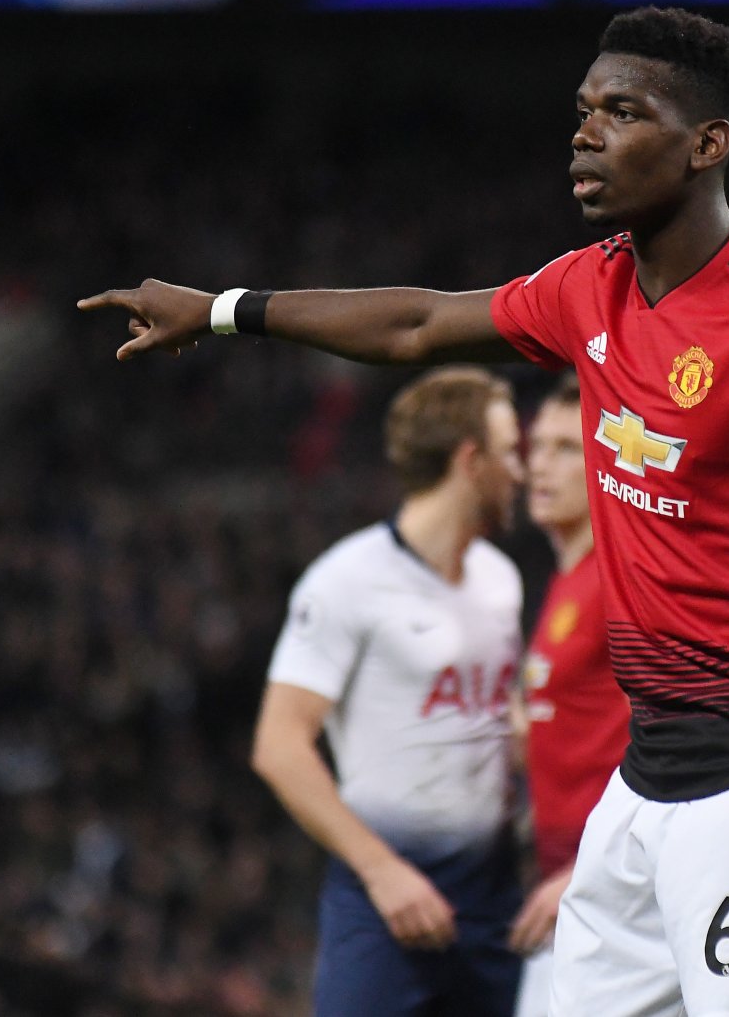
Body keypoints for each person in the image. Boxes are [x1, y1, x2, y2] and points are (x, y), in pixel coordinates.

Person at [81, 6, 729, 1016]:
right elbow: (419, 323)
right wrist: (227, 311)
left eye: (623, 112)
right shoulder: (593, 287)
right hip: (651, 771)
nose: (585, 134)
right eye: (582, 110)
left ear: (709, 144)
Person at [248, 367, 527, 1016]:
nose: (521, 470)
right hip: (382, 897)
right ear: (469, 459)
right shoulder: (347, 580)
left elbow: (499, 715)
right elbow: (278, 745)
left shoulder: (500, 580)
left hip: (493, 899)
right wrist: (380, 869)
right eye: (510, 451)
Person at [507, 372, 631, 1017]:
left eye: (562, 449)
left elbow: (672, 736)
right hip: (567, 885)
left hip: (614, 891)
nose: (537, 467)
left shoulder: (621, 584)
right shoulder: (567, 582)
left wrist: (589, 873)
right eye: (535, 447)